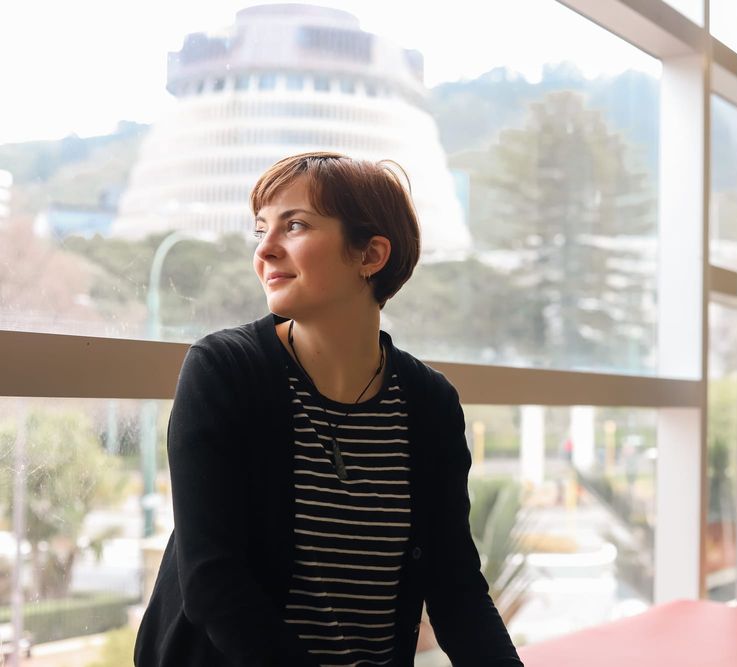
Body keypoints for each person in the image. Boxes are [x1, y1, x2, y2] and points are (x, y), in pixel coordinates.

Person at [134, 151, 523, 667]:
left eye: (294, 225)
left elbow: (456, 589)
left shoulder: (429, 404)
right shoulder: (224, 370)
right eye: (260, 230)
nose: (265, 250)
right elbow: (213, 581)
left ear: (371, 255)